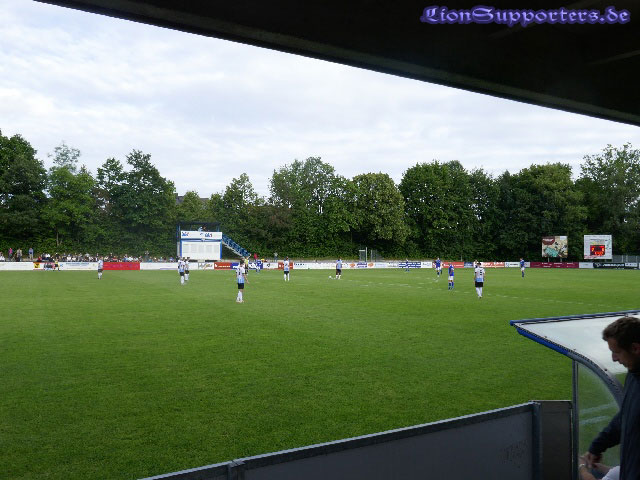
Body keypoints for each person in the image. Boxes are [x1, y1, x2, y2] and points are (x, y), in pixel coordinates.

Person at [584, 316, 640, 480]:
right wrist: (597, 446)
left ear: (635, 348)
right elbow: (626, 417)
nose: (614, 359)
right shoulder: (634, 374)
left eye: (616, 352)